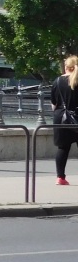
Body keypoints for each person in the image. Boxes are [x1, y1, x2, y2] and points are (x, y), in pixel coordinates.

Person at [52, 56, 78, 186]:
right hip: (76, 118)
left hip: (61, 118)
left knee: (63, 148)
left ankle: (60, 177)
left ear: (66, 67)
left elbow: (53, 104)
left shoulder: (57, 81)